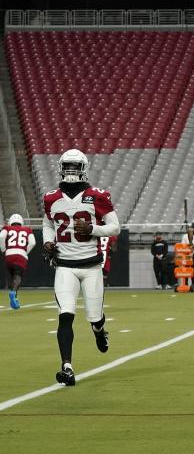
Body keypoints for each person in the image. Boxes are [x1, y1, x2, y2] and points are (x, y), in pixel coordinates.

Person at [42, 149, 119, 386]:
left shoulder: (97, 195)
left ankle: (99, 331)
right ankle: (67, 367)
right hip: (64, 266)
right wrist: (47, 241)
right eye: (68, 166)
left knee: (94, 317)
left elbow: (115, 227)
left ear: (83, 168)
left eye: (75, 166)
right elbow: (47, 223)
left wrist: (93, 230)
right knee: (66, 315)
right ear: (61, 168)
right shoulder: (51, 197)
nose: (71, 171)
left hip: (91, 267)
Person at [1, 213, 35, 309]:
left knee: (12, 277)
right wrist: (25, 251)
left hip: (9, 254)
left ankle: (15, 298)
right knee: (18, 277)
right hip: (20, 255)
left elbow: (1, 237)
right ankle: (13, 293)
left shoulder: (7, 228)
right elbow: (33, 242)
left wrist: (3, 249)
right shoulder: (27, 229)